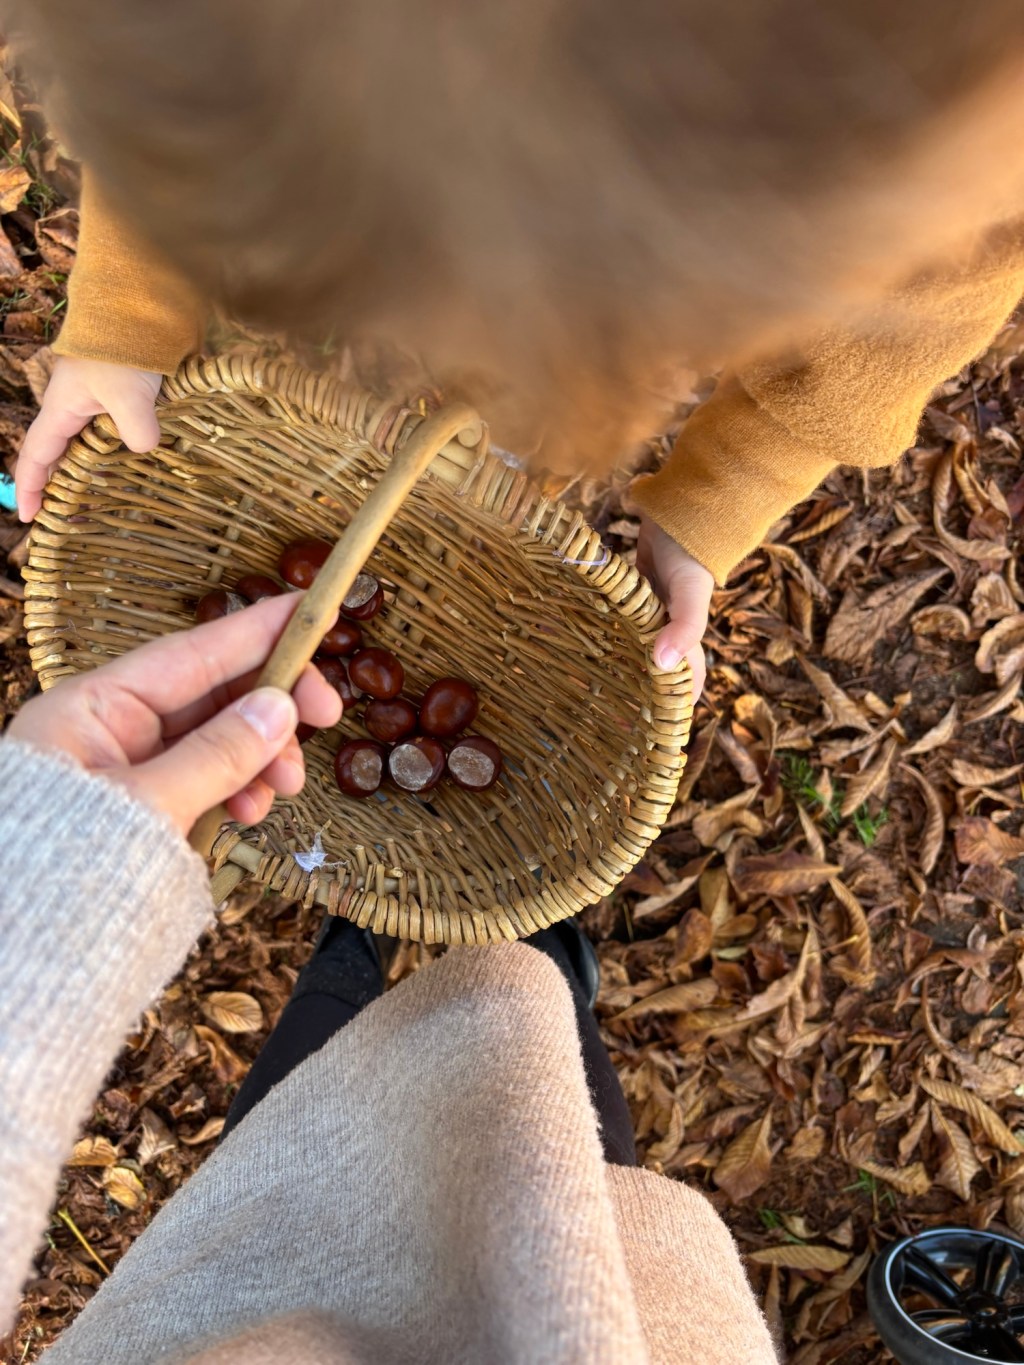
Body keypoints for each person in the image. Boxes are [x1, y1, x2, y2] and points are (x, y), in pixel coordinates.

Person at [7, 1, 1024, 703]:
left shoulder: (953, 149)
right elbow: (207, 75)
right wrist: (129, 311)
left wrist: (720, 497)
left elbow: (885, 346)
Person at [0, 595, 776, 1362]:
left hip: (249, 1309)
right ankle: (539, 953)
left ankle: (353, 949)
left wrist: (49, 890)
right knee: (557, 1161)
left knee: (288, 1164)